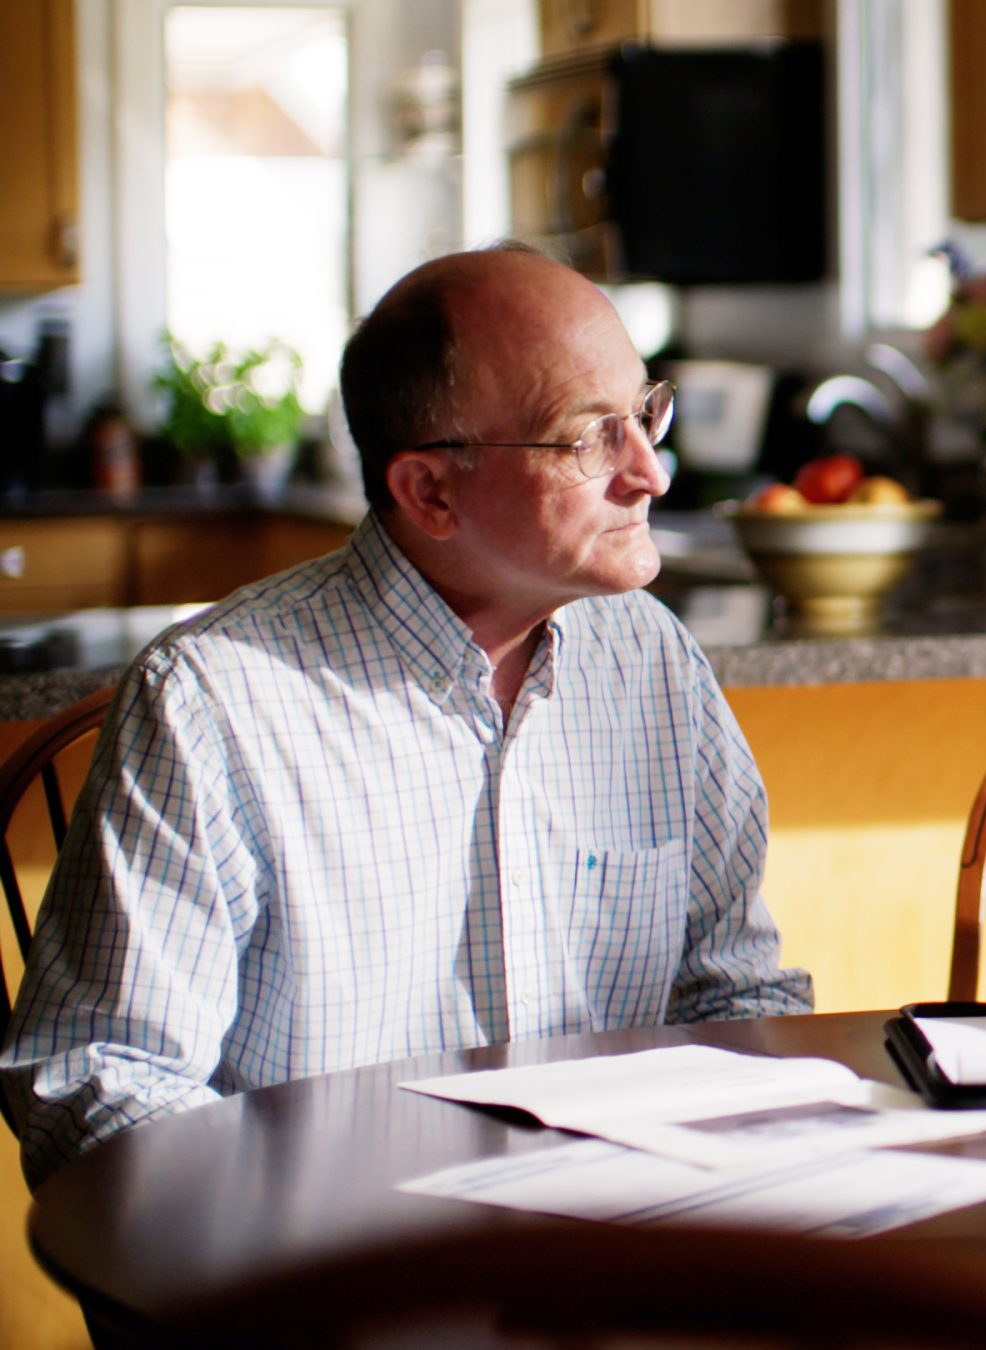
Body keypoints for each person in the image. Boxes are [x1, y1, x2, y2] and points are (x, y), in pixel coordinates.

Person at [1, 245, 812, 1188]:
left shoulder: (651, 663)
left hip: (619, 1243)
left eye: (644, 414)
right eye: (589, 437)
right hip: (322, 1270)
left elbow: (733, 992)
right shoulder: (213, 704)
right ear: (429, 490)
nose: (651, 473)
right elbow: (101, 1077)